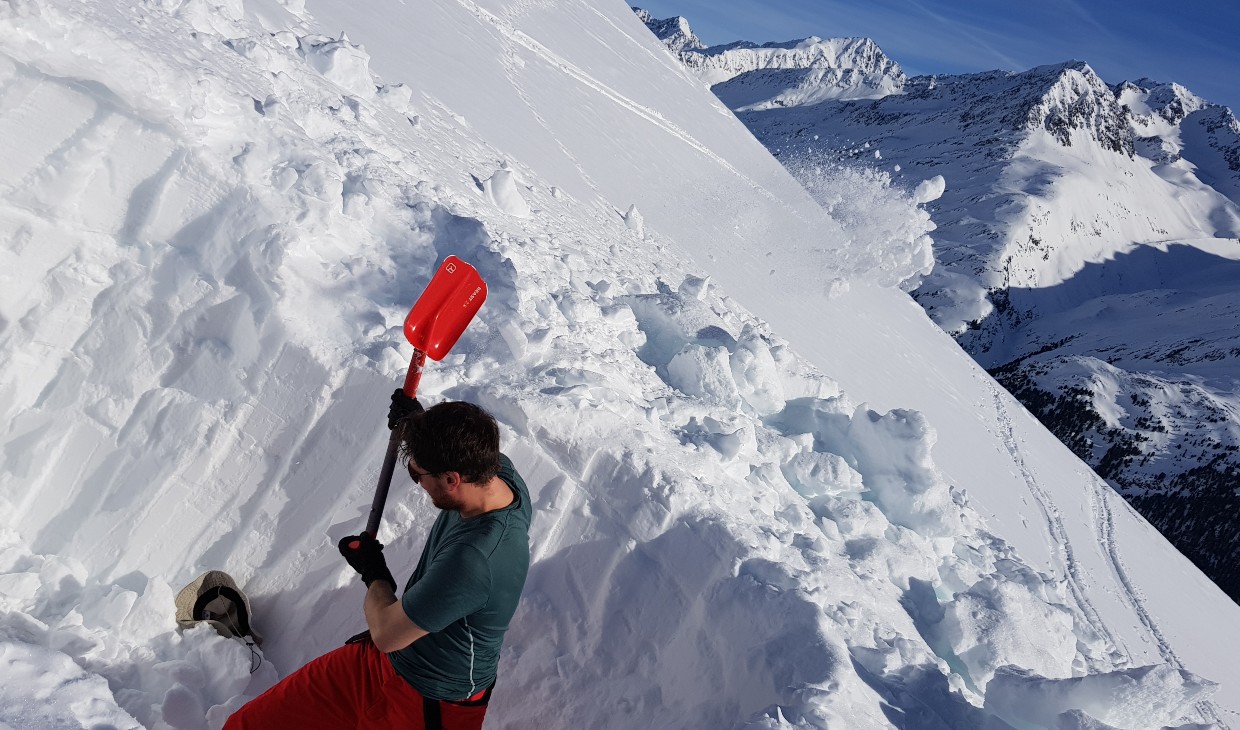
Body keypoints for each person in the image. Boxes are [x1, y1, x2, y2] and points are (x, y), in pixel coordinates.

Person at [224, 392, 531, 729]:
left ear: (451, 479)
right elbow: (457, 439)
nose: (416, 480)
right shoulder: (498, 472)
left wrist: (374, 572)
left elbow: (386, 632)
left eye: (418, 474)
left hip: (427, 704)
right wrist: (416, 425)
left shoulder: (474, 560)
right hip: (379, 665)